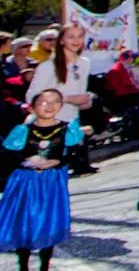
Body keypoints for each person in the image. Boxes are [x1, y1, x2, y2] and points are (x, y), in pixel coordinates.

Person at [0, 87, 82, 271]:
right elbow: (8, 155)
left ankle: (45, 264)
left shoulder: (66, 129)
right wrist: (25, 162)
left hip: (51, 182)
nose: (49, 106)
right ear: (32, 107)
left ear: (61, 105)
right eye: (43, 102)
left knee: (48, 219)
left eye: (54, 102)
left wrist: (57, 161)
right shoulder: (23, 130)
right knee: (24, 220)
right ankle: (23, 265)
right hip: (25, 182)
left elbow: (75, 155)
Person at [24, 25, 96, 175]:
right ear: (62, 41)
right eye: (71, 37)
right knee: (43, 175)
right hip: (46, 127)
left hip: (70, 122)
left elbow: (79, 92)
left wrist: (85, 100)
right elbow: (32, 96)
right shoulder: (48, 66)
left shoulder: (84, 63)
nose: (76, 41)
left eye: (79, 36)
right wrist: (68, 98)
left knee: (60, 174)